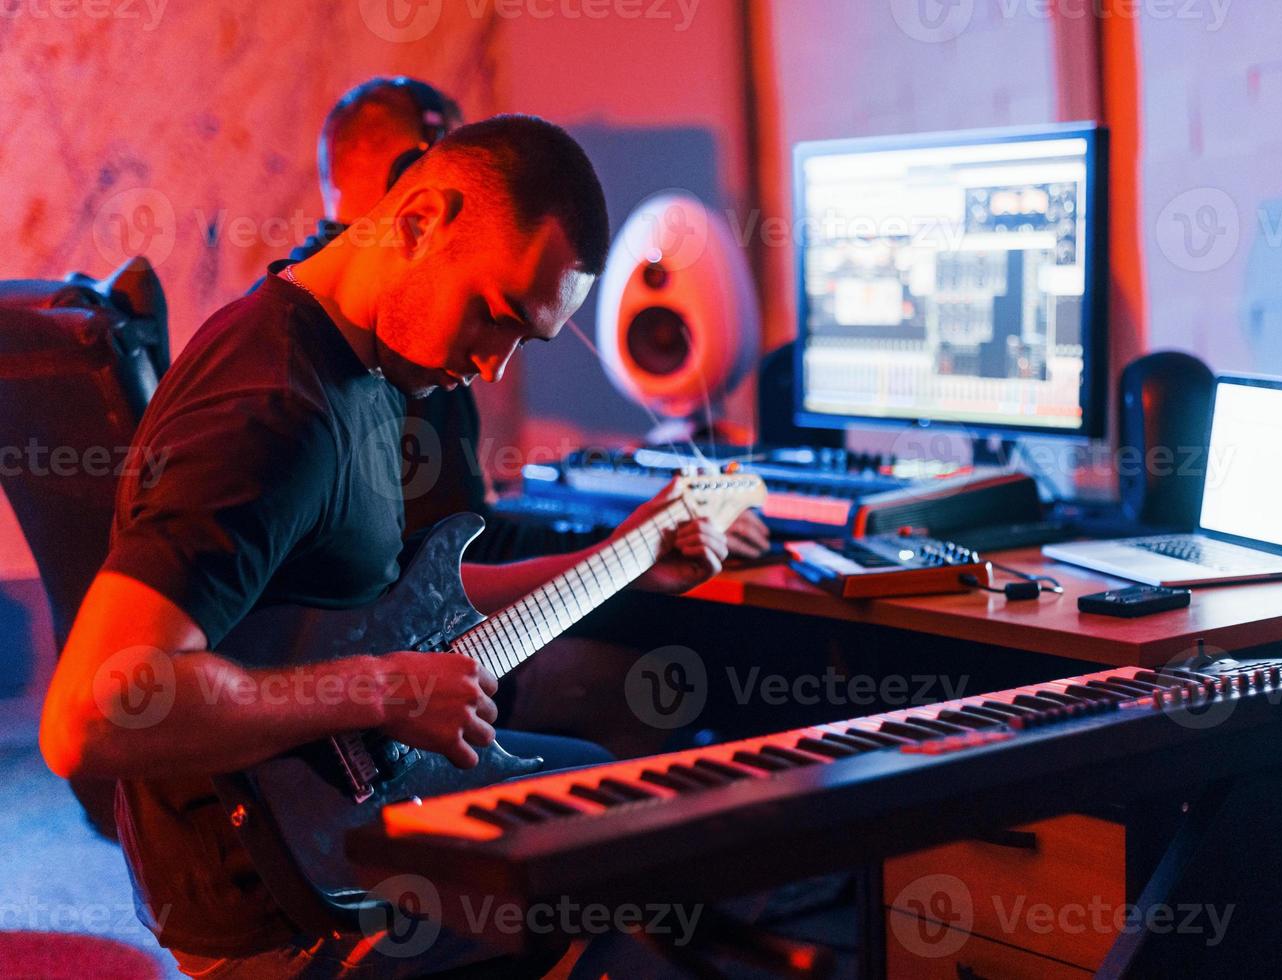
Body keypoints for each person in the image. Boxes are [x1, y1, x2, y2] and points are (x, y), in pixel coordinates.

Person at [39, 114, 729, 976]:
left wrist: (621, 559)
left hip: (328, 816)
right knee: (614, 857)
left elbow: (396, 605)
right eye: (494, 316)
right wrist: (382, 687)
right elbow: (92, 714)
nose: (493, 368)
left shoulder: (353, 354)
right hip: (274, 894)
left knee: (602, 794)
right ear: (417, 223)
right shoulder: (272, 414)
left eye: (525, 340)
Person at [285, 78, 769, 757]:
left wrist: (617, 546)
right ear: (421, 183)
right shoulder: (365, 347)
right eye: (492, 318)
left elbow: (425, 562)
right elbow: (427, 585)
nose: (492, 366)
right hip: (409, 694)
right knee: (672, 674)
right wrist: (608, 548)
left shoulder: (353, 320)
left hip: (410, 663)